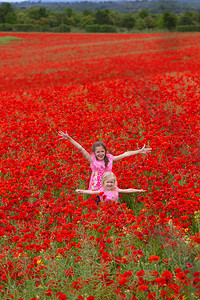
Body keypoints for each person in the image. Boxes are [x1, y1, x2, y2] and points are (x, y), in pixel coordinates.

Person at [58, 131, 151, 191]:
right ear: (94, 153)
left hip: (109, 185)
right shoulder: (92, 160)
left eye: (102, 151)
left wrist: (139, 151)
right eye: (98, 152)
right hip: (96, 187)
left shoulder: (110, 158)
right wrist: (70, 139)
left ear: (105, 152)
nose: (100, 154)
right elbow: (80, 148)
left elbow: (125, 154)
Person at [75, 172, 146, 203]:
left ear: (114, 182)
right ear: (103, 183)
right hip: (105, 209)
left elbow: (127, 190)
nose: (109, 184)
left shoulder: (116, 189)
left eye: (111, 182)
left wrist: (138, 190)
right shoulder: (101, 191)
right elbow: (92, 192)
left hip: (115, 209)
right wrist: (81, 191)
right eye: (107, 182)